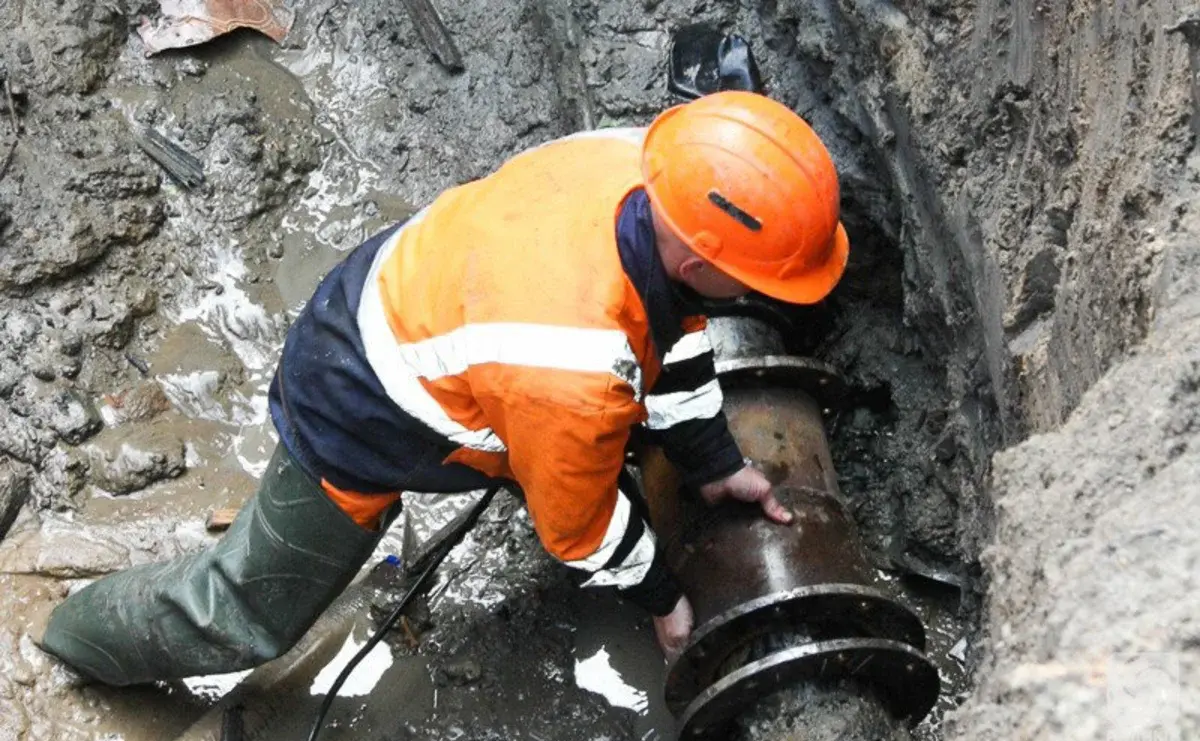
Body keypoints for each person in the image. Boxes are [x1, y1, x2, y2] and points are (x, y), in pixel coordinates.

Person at [39, 91, 849, 685]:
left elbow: (672, 331)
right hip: (355, 394)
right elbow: (576, 531)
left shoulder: (650, 167)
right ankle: (62, 643)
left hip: (421, 290)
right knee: (250, 612)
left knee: (597, 437)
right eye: (753, 286)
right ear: (702, 264)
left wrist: (710, 458)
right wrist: (663, 595)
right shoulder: (576, 369)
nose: (757, 301)